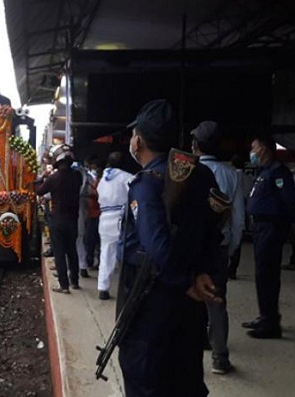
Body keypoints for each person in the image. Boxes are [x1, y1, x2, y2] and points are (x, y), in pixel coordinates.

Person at [118, 99, 222, 396]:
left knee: (147, 384)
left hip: (152, 312)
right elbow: (214, 232)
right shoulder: (202, 175)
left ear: (138, 141)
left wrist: (185, 281)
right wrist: (203, 271)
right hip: (189, 314)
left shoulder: (147, 183)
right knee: (186, 383)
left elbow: (156, 247)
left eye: (133, 135)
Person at [190, 121, 244, 374]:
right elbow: (238, 220)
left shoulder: (186, 171)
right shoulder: (231, 175)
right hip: (218, 249)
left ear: (196, 145)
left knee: (190, 298)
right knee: (217, 301)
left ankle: (190, 350)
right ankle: (220, 359)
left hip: (192, 249)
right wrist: (229, 248)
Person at [242, 135, 295, 339]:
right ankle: (265, 316)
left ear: (263, 149)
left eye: (254, 147)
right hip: (260, 228)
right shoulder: (264, 171)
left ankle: (271, 323)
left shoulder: (277, 172)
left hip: (271, 228)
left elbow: (289, 202)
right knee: (261, 274)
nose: (252, 151)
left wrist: (285, 228)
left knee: (268, 275)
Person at [35, 144, 83, 292]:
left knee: (59, 252)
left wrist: (41, 178)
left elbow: (39, 191)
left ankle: (64, 286)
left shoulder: (53, 178)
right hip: (73, 219)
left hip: (57, 220)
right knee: (72, 251)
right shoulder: (77, 176)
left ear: (57, 161)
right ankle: (75, 281)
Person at [96, 152, 132, 300]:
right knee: (127, 253)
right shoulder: (127, 178)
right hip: (121, 218)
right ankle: (127, 288)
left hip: (104, 218)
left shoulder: (103, 179)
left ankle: (103, 288)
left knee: (106, 253)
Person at [228, 154, 253, 279]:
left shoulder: (230, 176)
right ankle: (233, 268)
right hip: (244, 207)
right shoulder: (248, 178)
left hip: (230, 209)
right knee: (239, 234)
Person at [84, 155, 103, 270]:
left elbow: (98, 196)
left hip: (99, 215)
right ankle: (89, 261)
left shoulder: (104, 181)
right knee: (90, 241)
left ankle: (96, 262)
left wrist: (89, 194)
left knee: (94, 241)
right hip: (92, 214)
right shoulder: (95, 180)